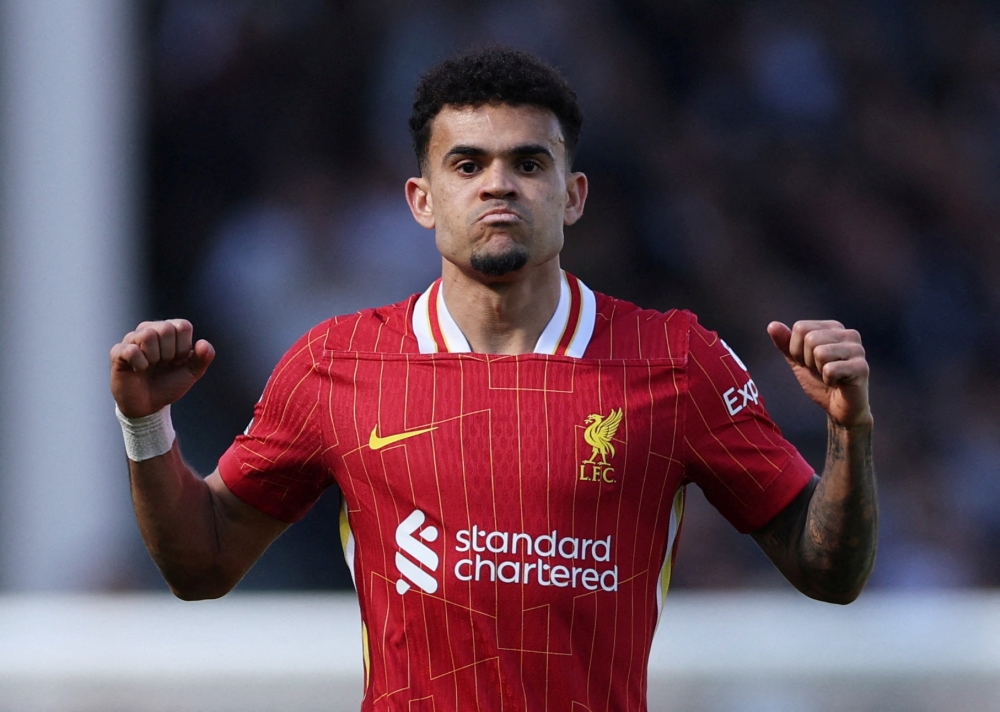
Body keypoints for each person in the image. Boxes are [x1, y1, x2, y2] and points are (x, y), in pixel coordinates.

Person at [110, 47, 877, 712]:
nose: (498, 185)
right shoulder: (334, 364)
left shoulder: (675, 360)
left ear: (573, 195)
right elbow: (202, 562)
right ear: (422, 199)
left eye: (529, 163)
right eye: (468, 163)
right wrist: (148, 426)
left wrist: (850, 433)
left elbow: (827, 572)